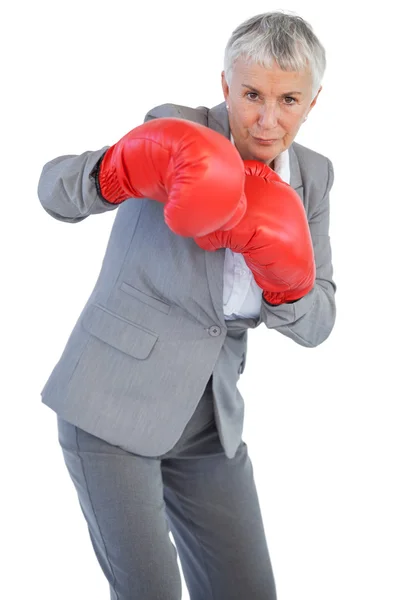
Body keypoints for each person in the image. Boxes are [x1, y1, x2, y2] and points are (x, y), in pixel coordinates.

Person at [37, 11, 336, 600]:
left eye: (289, 99)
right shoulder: (176, 128)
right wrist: (113, 175)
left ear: (313, 101)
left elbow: (319, 322)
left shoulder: (315, 178)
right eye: (251, 94)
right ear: (226, 86)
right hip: (110, 404)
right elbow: (54, 193)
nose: (268, 119)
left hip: (209, 423)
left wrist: (286, 280)